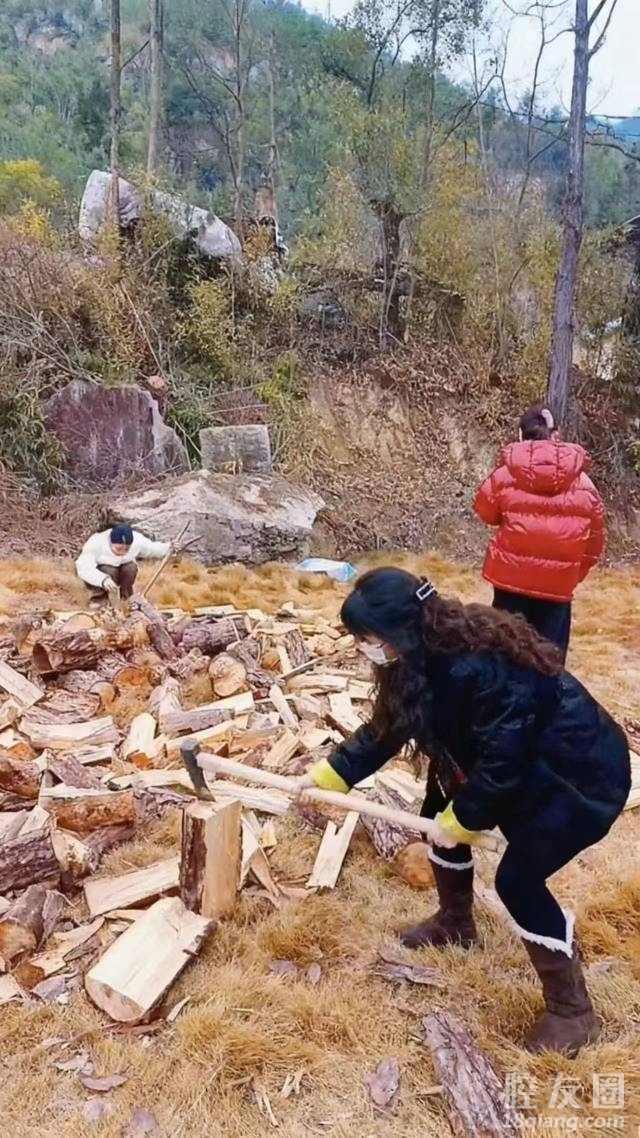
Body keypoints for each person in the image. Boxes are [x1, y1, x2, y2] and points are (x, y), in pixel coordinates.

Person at [296, 567, 630, 1056]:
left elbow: (505, 760)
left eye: (367, 639)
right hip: (514, 764)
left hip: (576, 777)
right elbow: (390, 727)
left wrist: (465, 819)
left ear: (398, 631)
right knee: (438, 813)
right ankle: (456, 924)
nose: (363, 649)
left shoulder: (481, 667)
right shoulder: (417, 656)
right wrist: (331, 775)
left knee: (517, 881)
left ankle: (572, 1012)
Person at [474, 403, 604, 663]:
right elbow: (594, 545)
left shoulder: (504, 475)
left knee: (503, 658)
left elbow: (485, 512)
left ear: (520, 434)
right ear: (556, 435)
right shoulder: (585, 484)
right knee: (549, 664)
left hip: (509, 583)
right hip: (557, 590)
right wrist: (568, 575)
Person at [75, 524, 170, 607]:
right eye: (118, 549)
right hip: (102, 573)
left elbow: (154, 549)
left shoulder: (137, 540)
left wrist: (170, 547)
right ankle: (100, 600)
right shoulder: (97, 542)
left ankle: (126, 598)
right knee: (109, 570)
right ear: (110, 542)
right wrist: (102, 580)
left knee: (131, 567)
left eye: (127, 549)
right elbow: (84, 567)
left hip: (123, 570)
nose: (122, 552)